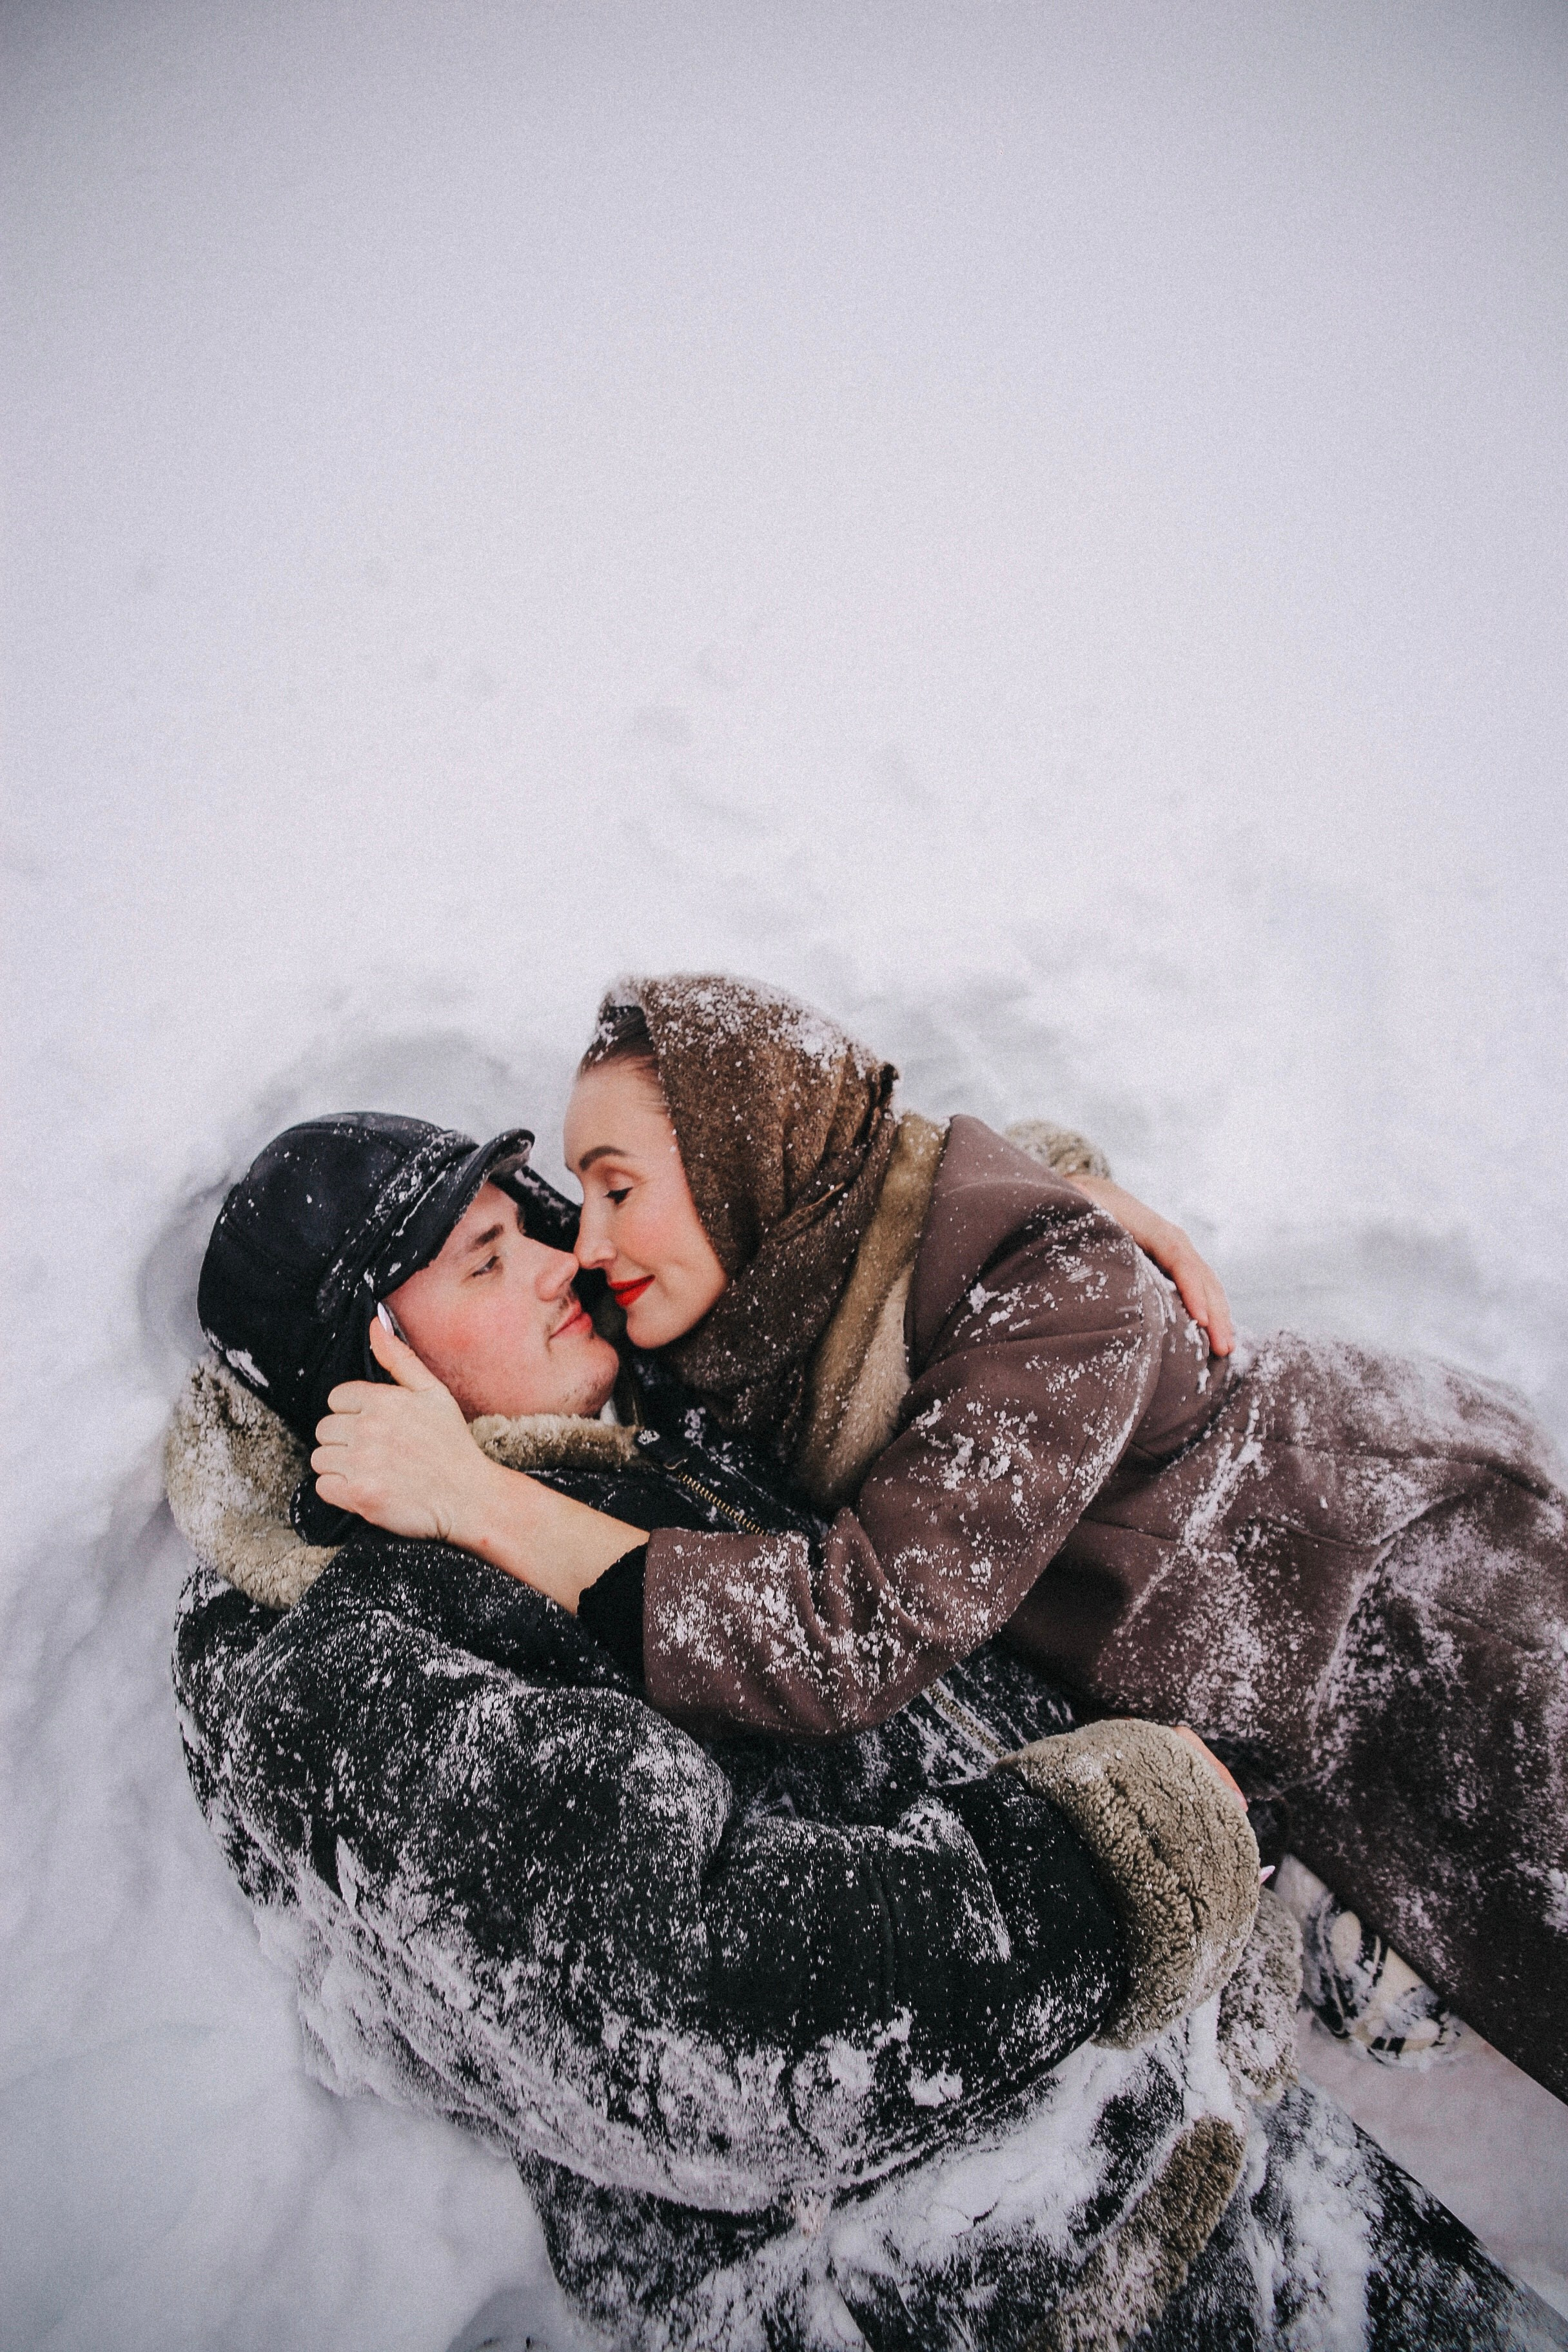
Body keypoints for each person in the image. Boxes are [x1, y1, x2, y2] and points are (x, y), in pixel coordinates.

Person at [168, 1108, 1313, 2351]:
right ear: (366, 1372)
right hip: (978, 2286)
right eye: (486, 1262)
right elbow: (696, 2024)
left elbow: (822, 1201)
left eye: (530, 1223)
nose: (560, 1266)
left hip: (1217, 2121)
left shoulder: (637, 1412)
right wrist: (1110, 1861)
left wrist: (1047, 1207)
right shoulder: (358, 1673)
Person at [308, 981, 1568, 2110]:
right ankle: (1364, 1888)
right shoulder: (741, 1316)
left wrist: (478, 1501)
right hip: (1222, 1670)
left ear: (750, 1159)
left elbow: (847, 1634)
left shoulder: (1048, 1288)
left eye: (617, 1189)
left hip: (1400, 1579)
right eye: (574, 1197)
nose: (581, 1245)